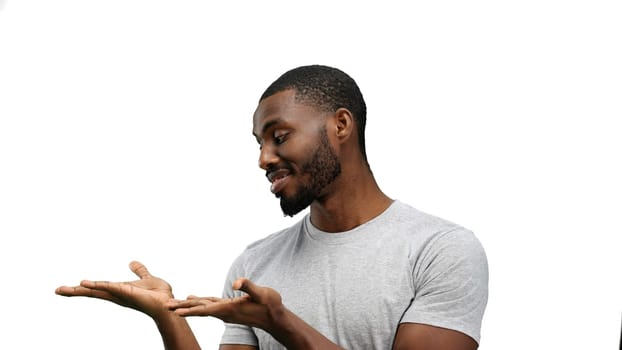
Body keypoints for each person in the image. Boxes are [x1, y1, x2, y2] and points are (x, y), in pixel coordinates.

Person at [56, 65, 488, 349]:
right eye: (259, 143)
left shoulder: (440, 250)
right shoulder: (256, 262)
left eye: (279, 137)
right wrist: (167, 316)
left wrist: (280, 322)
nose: (264, 158)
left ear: (340, 125)